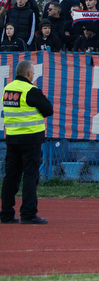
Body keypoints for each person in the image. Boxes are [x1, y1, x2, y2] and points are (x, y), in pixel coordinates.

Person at [2, 59, 53, 224]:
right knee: (30, 176)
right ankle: (28, 213)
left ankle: (6, 213)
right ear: (29, 73)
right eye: (33, 72)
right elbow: (48, 109)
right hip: (30, 139)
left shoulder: (8, 89)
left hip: (12, 138)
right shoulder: (31, 90)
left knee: (11, 176)